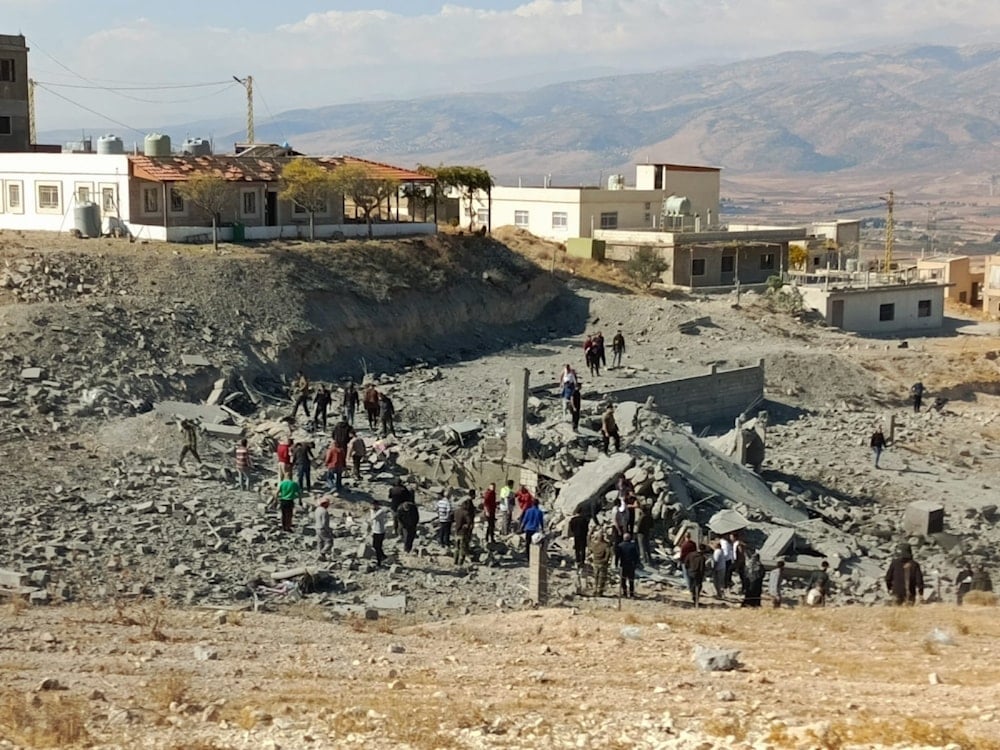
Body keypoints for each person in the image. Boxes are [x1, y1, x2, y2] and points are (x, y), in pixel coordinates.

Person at [453, 495, 475, 565]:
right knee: (463, 549)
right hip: (463, 533)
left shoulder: (457, 511)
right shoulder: (466, 513)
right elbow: (469, 523)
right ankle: (460, 563)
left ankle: (455, 561)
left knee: (456, 548)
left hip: (456, 532)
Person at [589, 529, 612, 596]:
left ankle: (595, 590)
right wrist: (606, 561)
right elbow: (608, 554)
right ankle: (600, 592)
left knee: (595, 577)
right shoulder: (605, 545)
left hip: (595, 563)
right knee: (602, 578)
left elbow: (590, 548)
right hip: (603, 563)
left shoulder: (594, 545)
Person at [617, 532, 640, 598]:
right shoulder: (633, 546)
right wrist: (636, 563)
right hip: (631, 565)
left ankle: (624, 593)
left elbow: (617, 556)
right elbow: (636, 556)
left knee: (623, 580)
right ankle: (632, 594)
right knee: (631, 580)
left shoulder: (620, 546)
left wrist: (616, 564)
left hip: (623, 565)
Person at [370, 500, 389, 567]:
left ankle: (379, 561)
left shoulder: (381, 511)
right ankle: (383, 556)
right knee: (375, 546)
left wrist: (372, 511)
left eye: (374, 505)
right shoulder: (374, 511)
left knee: (378, 547)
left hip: (380, 531)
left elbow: (373, 517)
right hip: (375, 531)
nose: (373, 506)